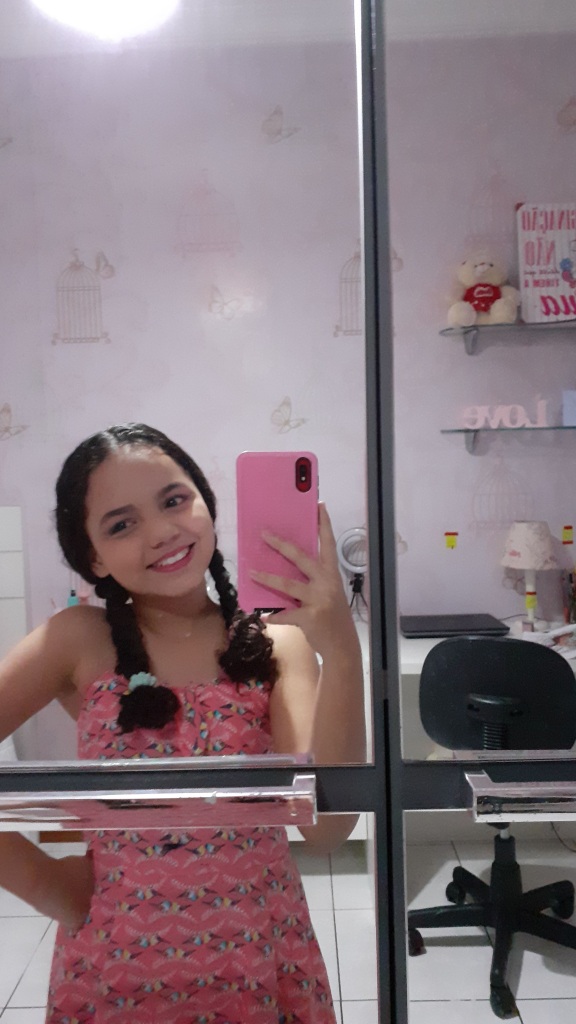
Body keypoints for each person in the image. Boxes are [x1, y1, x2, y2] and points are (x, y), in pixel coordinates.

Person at [0, 423, 365, 1024]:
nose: (162, 532)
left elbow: (327, 831)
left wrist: (342, 651)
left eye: (174, 500)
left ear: (206, 502)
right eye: (122, 524)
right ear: (93, 556)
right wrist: (44, 882)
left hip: (258, 950)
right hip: (116, 962)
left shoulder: (277, 644)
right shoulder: (78, 641)